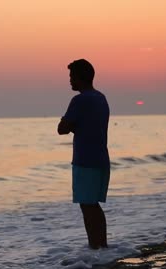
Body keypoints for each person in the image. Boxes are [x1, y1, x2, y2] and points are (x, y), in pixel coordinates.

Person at [57, 59, 110, 249]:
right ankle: (102, 246)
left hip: (85, 160)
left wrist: (68, 121)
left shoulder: (79, 100)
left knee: (87, 206)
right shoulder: (101, 97)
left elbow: (62, 129)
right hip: (101, 159)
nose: (70, 80)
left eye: (72, 76)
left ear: (80, 77)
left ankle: (95, 247)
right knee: (93, 205)